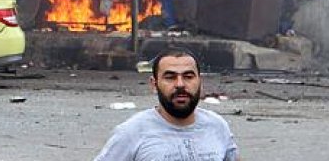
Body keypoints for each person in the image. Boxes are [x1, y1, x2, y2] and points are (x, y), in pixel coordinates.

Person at [93, 47, 240, 161]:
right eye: (170, 77)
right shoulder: (132, 132)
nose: (180, 84)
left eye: (188, 77)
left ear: (200, 82)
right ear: (154, 84)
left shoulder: (217, 126)